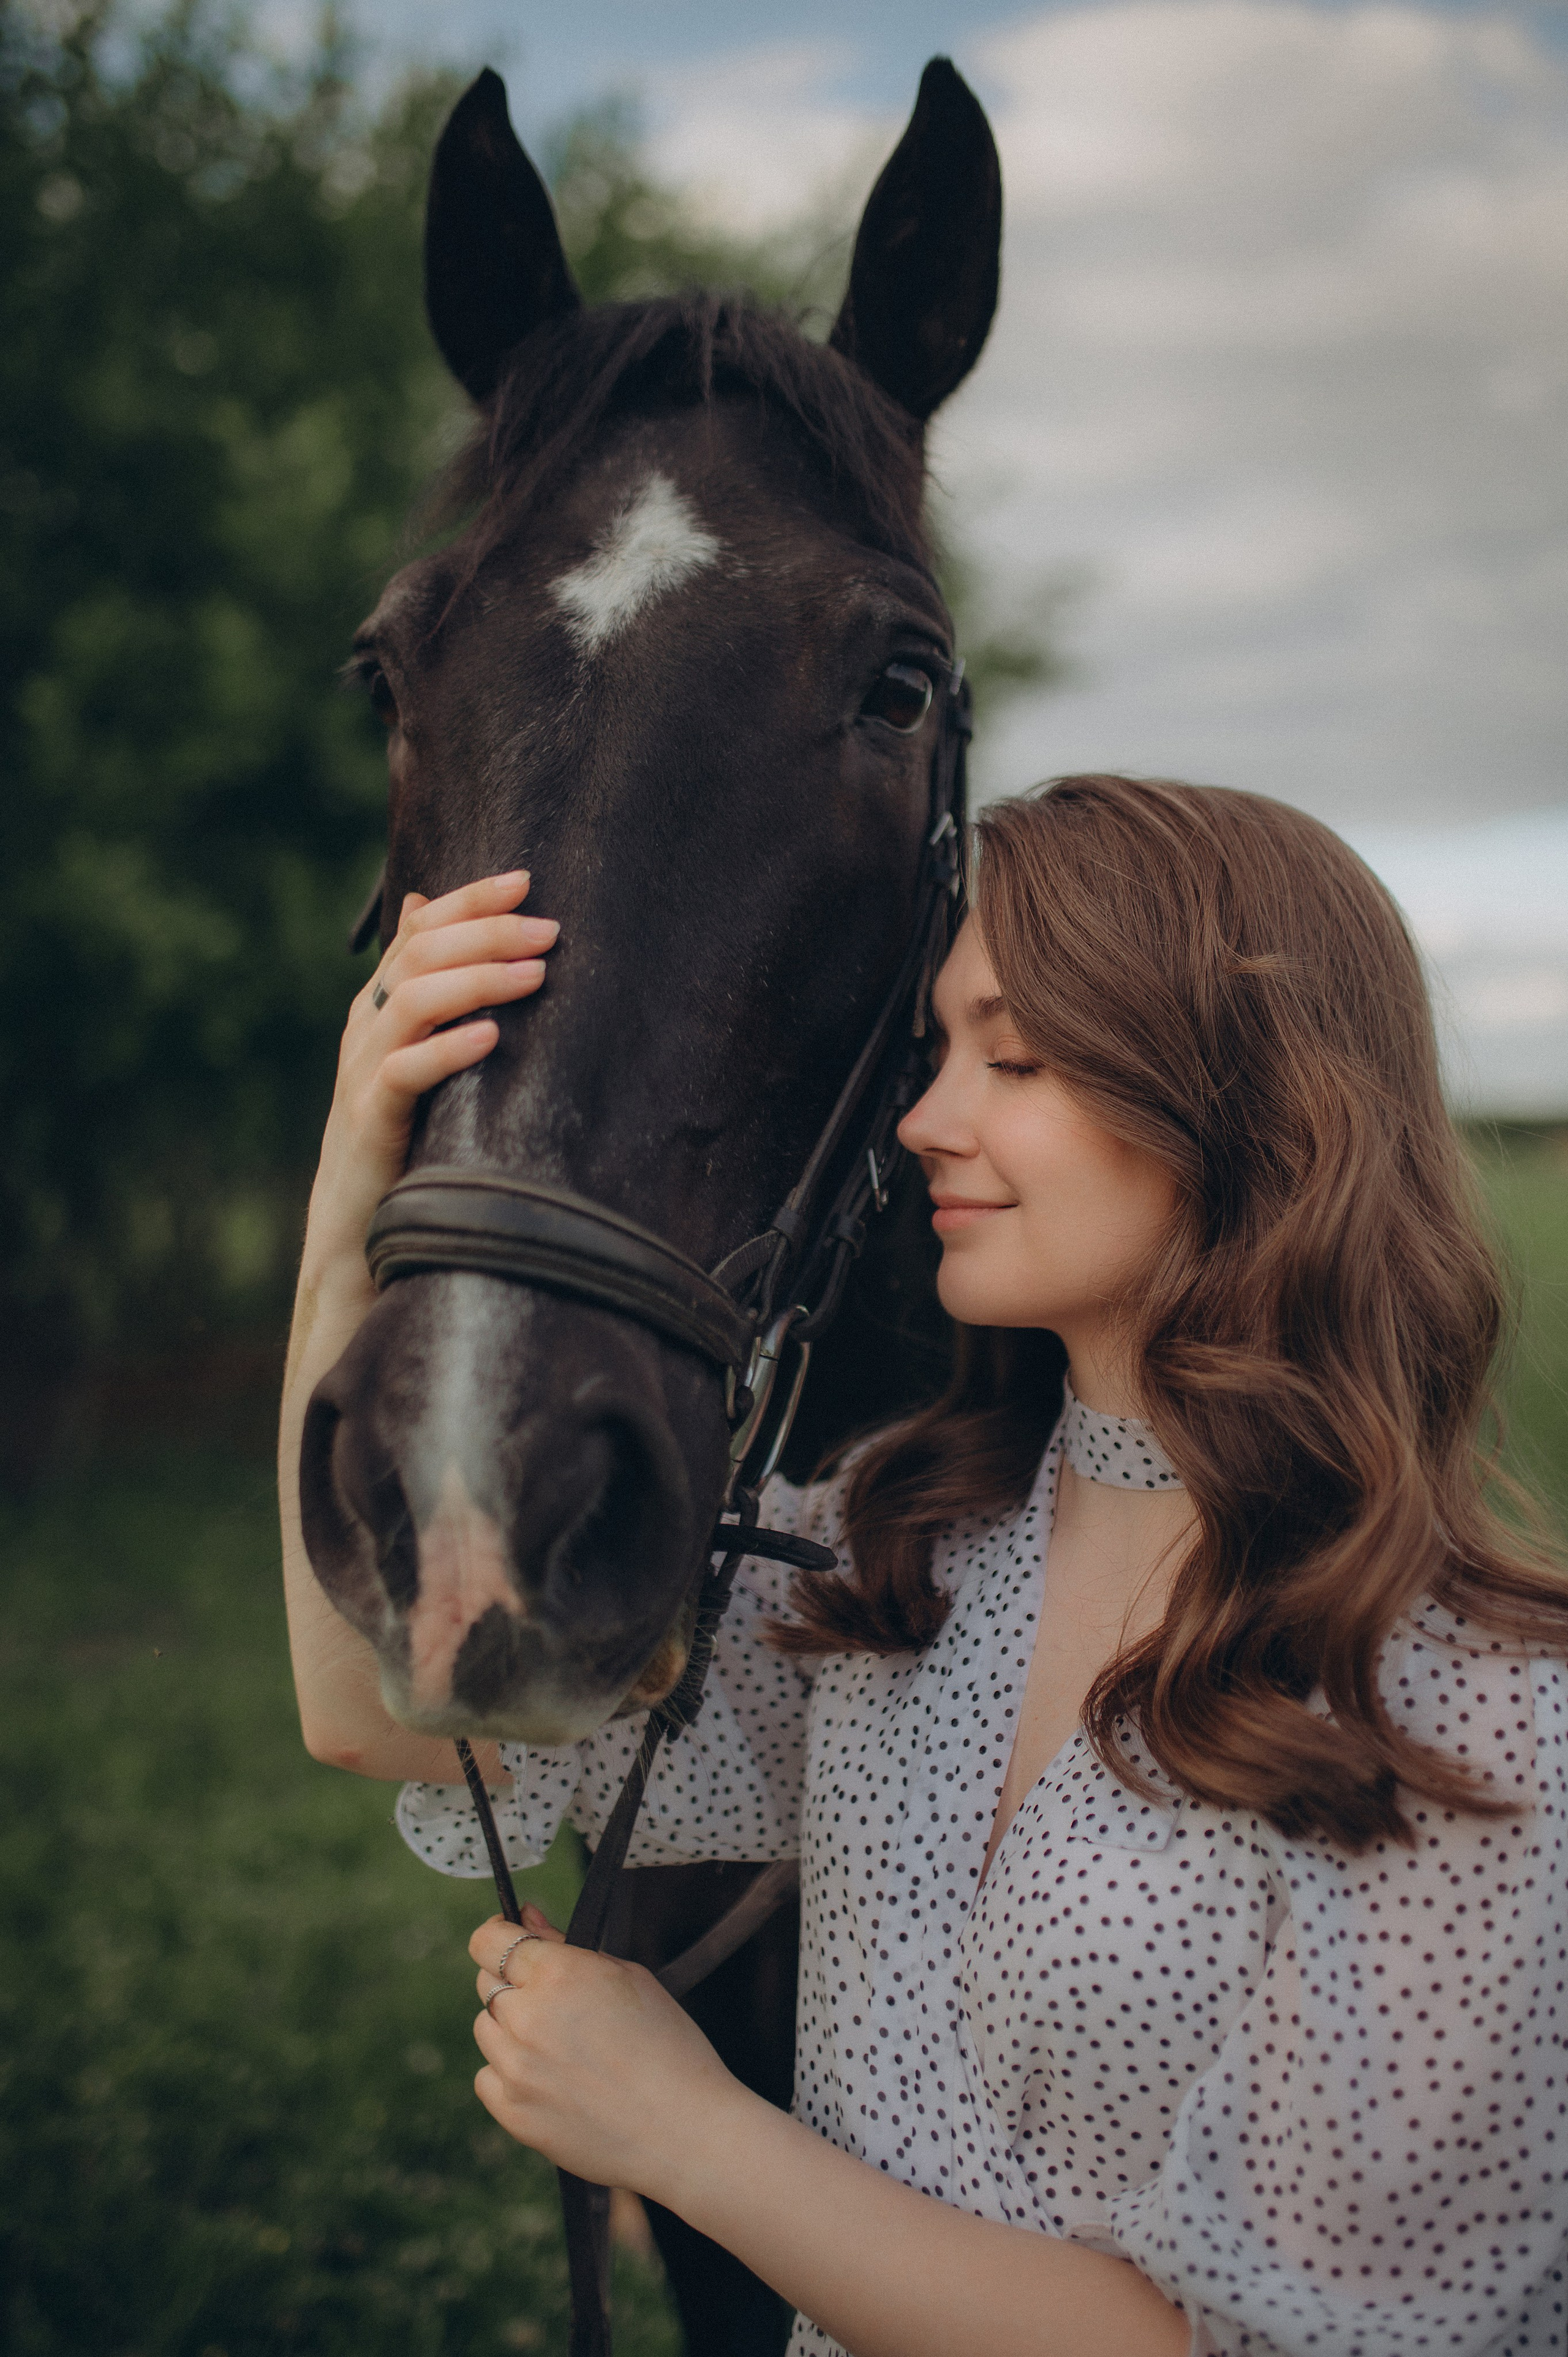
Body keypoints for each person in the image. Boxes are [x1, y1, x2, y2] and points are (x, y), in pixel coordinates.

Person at [281, 775, 1568, 2357]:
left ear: (1249, 1109)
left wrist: (686, 2134)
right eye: (938, 1052)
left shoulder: (1477, 1715)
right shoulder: (890, 1563)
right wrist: (360, 1191)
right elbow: (389, 1704)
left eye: (1013, 1059)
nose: (923, 1122)